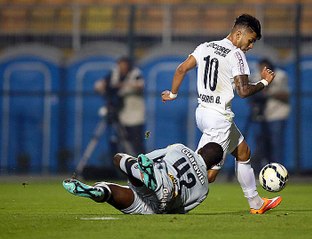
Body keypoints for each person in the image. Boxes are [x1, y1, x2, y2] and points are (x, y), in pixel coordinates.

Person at [161, 14, 281, 214]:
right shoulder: (236, 54)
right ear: (239, 33)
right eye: (250, 41)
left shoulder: (205, 46)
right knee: (206, 173)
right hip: (219, 119)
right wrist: (265, 82)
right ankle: (167, 194)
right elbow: (243, 91)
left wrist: (173, 94)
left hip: (203, 113)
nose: (250, 46)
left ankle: (256, 203)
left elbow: (181, 69)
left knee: (243, 152)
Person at [63, 142, 224, 214]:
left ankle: (99, 189)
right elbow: (182, 209)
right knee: (118, 193)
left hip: (160, 178)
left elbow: (149, 157)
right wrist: (164, 206)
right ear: (213, 165)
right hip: (163, 203)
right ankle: (100, 191)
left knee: (119, 158)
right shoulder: (204, 190)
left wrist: (139, 166)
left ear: (201, 149)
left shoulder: (181, 148)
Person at [94, 56, 145, 156]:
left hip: (134, 115)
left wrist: (121, 85)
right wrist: (102, 87)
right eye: (120, 65)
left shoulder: (135, 73)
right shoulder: (114, 74)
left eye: (124, 65)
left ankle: (141, 166)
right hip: (120, 113)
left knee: (136, 142)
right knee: (117, 142)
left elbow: (140, 85)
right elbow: (100, 85)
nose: (121, 68)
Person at [247, 58, 290, 167]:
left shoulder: (280, 76)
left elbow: (286, 95)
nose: (262, 70)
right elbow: (251, 94)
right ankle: (261, 171)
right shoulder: (256, 76)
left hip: (276, 115)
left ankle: (277, 170)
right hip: (260, 116)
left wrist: (268, 93)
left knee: (276, 146)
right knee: (260, 146)